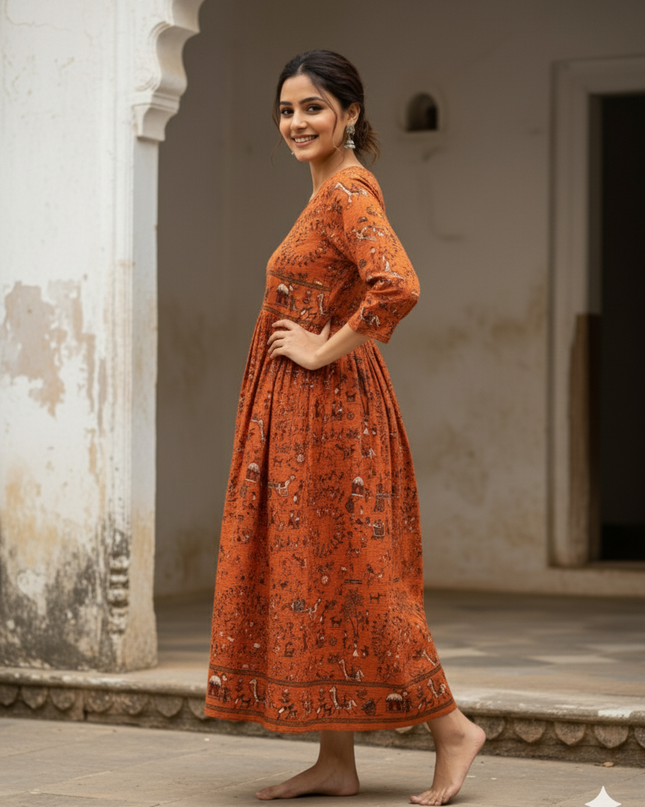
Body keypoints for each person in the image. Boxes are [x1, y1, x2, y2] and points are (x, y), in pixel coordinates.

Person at [205, 50, 485, 806]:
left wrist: (321, 347)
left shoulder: (346, 196)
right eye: (287, 109)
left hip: (331, 417)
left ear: (351, 114)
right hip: (306, 415)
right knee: (318, 574)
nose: (296, 122)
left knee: (362, 572)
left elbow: (399, 283)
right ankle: (336, 760)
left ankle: (453, 728)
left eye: (314, 108)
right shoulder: (326, 193)